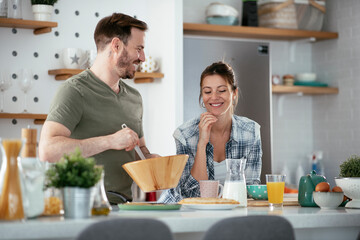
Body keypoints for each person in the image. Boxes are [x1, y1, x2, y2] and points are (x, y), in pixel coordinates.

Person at [39, 13, 158, 204]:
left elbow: (138, 149)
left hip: (125, 207)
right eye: (139, 49)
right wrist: (109, 141)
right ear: (116, 45)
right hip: (82, 208)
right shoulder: (75, 90)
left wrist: (150, 160)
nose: (142, 57)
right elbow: (47, 151)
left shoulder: (134, 97)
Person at [158, 61, 262, 203]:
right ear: (202, 95)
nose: (214, 97)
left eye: (222, 90)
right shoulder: (184, 135)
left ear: (234, 93)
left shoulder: (251, 132)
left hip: (232, 212)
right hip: (190, 213)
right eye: (208, 92)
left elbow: (251, 190)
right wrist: (202, 143)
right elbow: (192, 194)